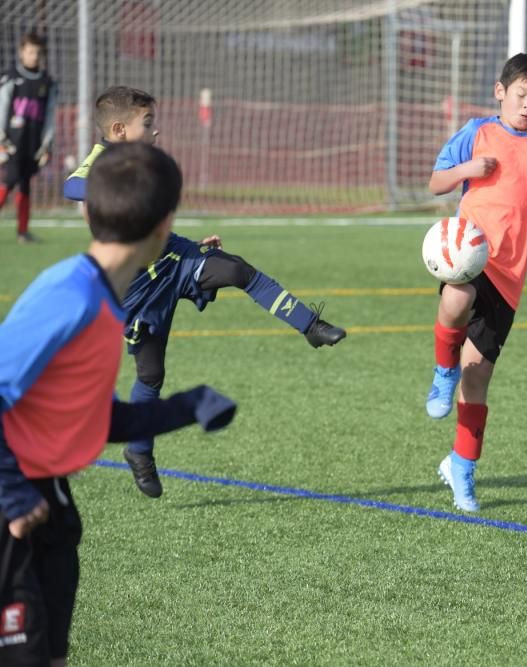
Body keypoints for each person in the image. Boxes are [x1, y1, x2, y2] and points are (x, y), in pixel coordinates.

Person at [0, 142, 238, 666]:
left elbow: (95, 418)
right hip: (14, 501)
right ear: (164, 224)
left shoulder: (106, 298)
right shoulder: (71, 294)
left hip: (50, 503)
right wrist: (13, 492)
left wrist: (187, 406)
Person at [64, 86, 346, 499]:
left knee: (236, 269)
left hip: (174, 256)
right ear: (120, 130)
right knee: (150, 374)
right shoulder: (102, 161)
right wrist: (113, 191)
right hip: (138, 290)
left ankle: (309, 325)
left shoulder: (148, 160)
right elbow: (72, 187)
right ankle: (139, 452)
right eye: (148, 124)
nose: (156, 132)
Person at [425, 53, 527, 512]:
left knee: (477, 379)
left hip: (511, 276)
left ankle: (461, 467)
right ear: (501, 92)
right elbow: (437, 182)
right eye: (521, 96)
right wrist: (466, 171)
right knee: (456, 294)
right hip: (470, 254)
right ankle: (442, 371)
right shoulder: (477, 133)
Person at [0, 31, 57, 244]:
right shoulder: (11, 77)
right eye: (30, 51)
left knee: (25, 184)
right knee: (10, 180)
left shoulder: (47, 82)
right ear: (21, 52)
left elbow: (50, 113)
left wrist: (46, 144)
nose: (34, 56)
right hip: (12, 142)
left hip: (33, 144)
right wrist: (1, 139)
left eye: (38, 52)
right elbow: (2, 107)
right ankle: (22, 232)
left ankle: (23, 232)